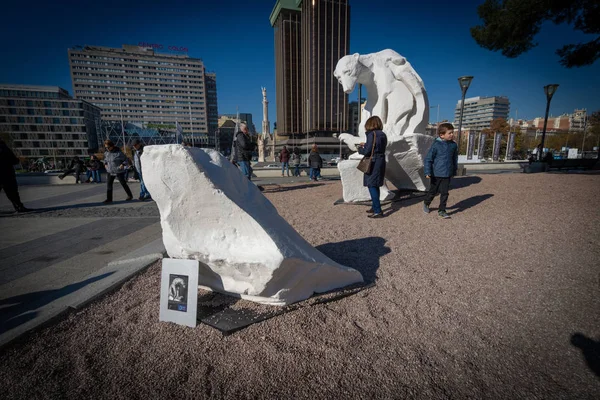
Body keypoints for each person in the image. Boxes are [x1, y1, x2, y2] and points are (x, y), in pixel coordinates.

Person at [423, 122, 458, 219]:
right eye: (449, 133)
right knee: (433, 191)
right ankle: (426, 203)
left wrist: (454, 170)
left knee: (445, 193)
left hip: (447, 174)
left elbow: (454, 159)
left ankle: (442, 210)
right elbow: (428, 159)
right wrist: (427, 172)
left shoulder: (453, 145)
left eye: (452, 132)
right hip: (436, 173)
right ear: (441, 135)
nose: (452, 135)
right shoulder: (436, 145)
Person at [357, 116, 388, 219]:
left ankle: (378, 211)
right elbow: (377, 147)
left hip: (373, 162)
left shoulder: (372, 134)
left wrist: (360, 149)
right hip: (380, 161)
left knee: (372, 185)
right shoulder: (382, 134)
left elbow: (367, 151)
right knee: (376, 185)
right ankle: (375, 207)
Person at [0, 139, 31, 213]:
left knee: (12, 193)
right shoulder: (3, 147)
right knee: (13, 193)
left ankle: (19, 207)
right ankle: (19, 207)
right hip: (7, 174)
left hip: (5, 174)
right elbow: (14, 160)